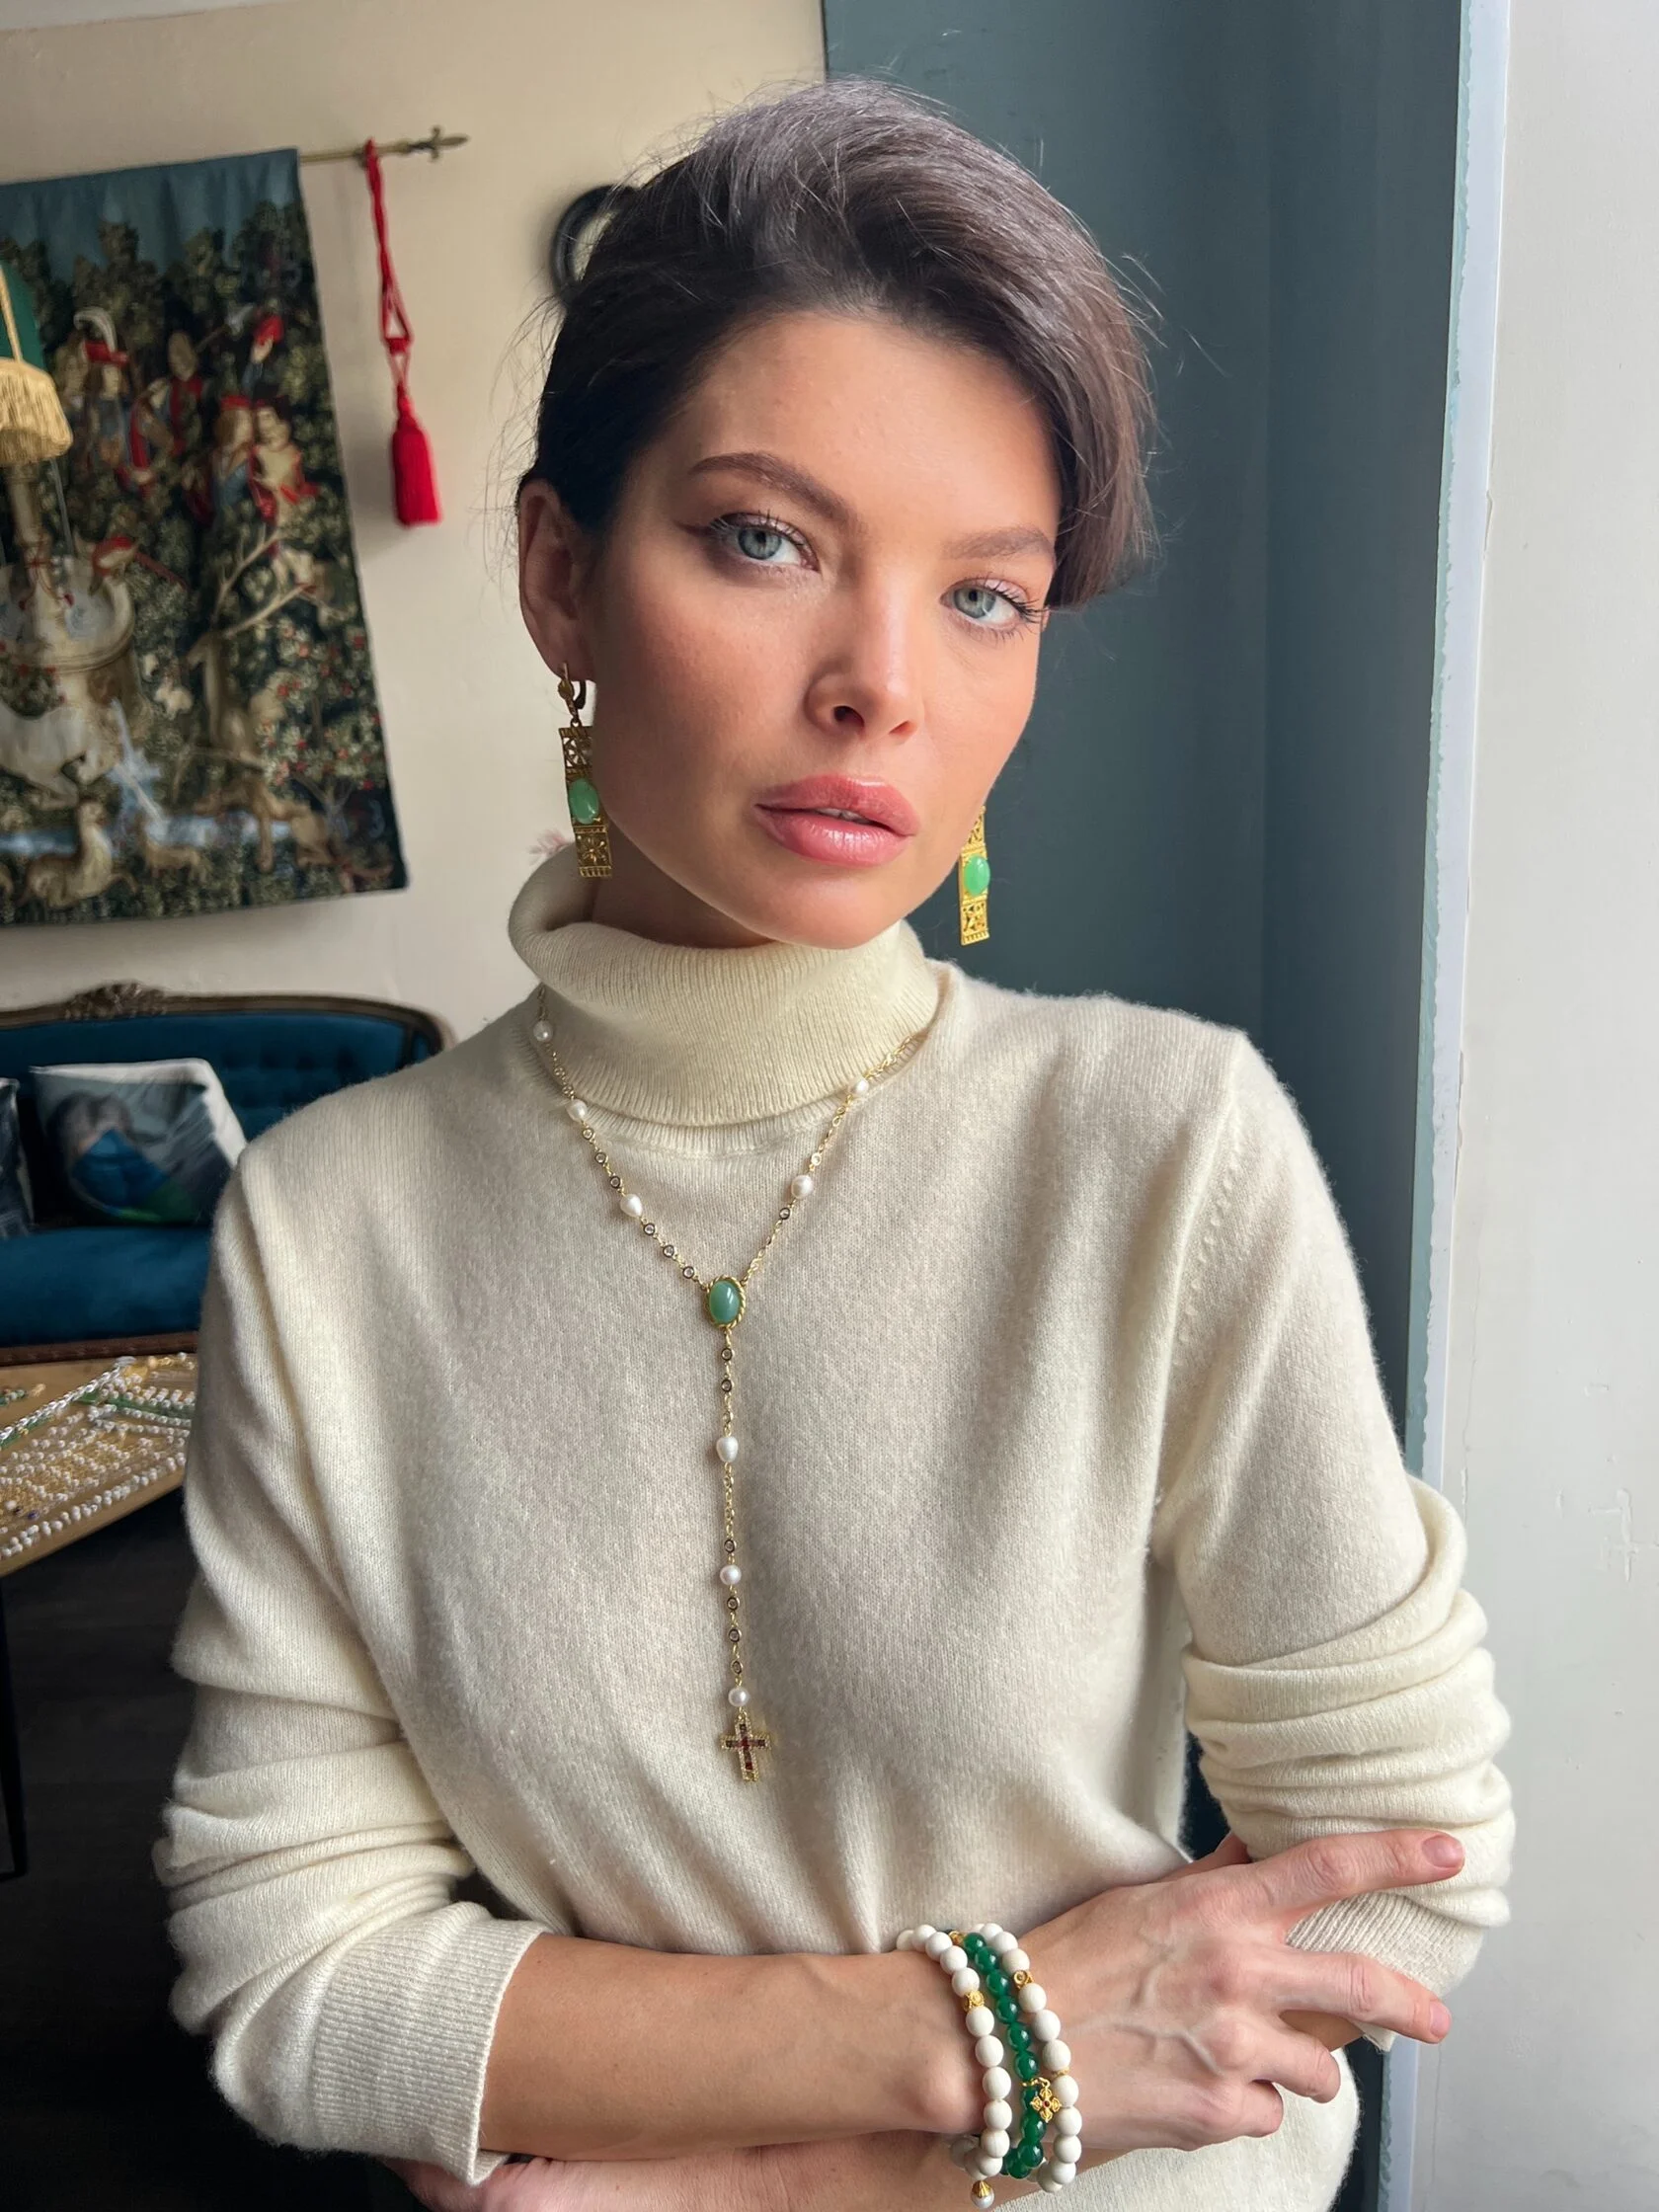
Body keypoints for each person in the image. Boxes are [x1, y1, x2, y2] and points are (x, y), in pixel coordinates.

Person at [156, 79, 1512, 2212]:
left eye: (987, 596)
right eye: (765, 540)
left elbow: (1393, 1889)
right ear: (561, 576)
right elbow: (294, 1970)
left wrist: (741, 2188)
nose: (883, 683)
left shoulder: (1166, 1147)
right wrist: (985, 2038)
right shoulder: (326, 1231)